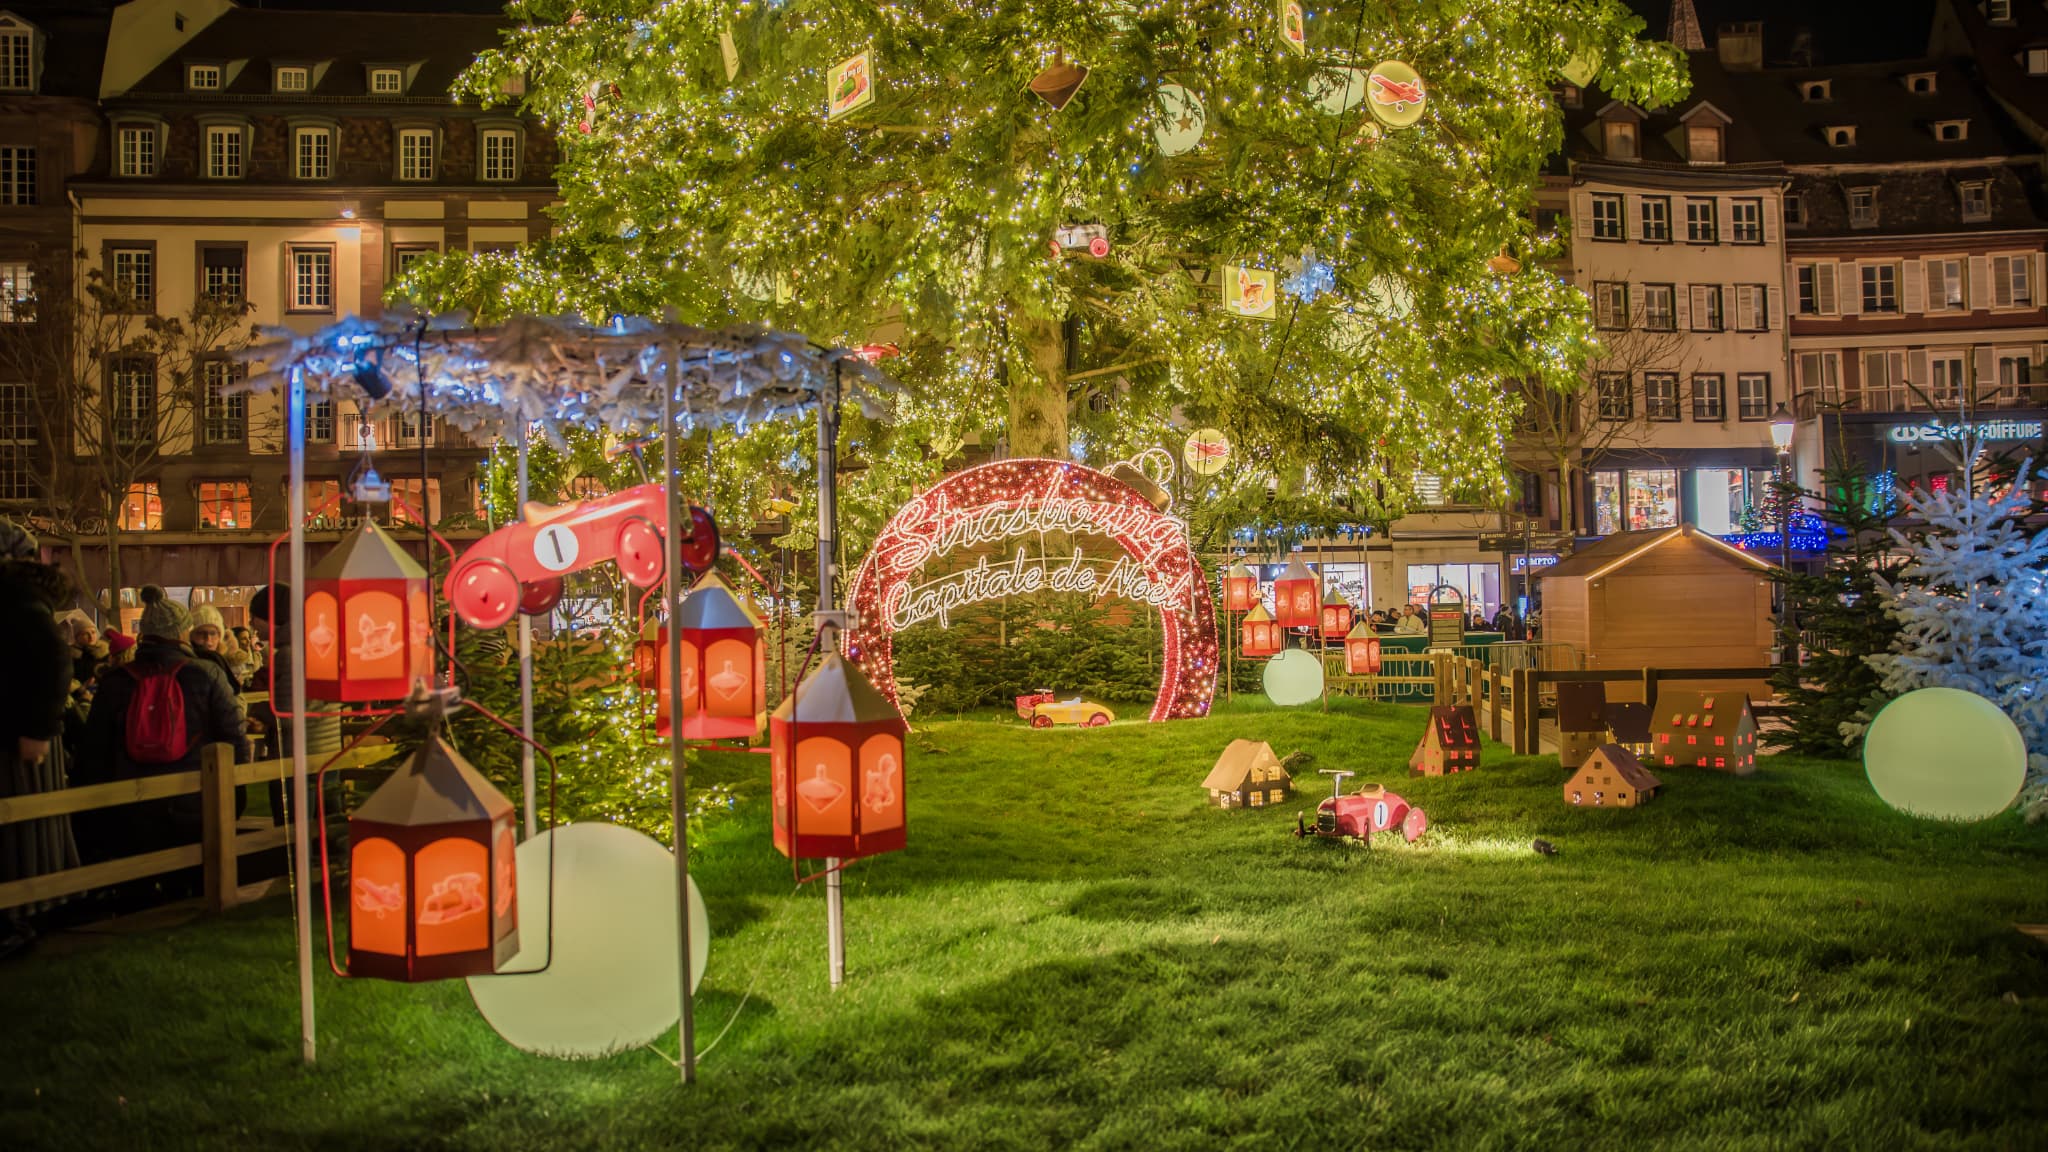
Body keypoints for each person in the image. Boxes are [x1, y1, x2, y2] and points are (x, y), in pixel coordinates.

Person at [81, 592, 250, 867]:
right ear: (183, 632)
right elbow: (234, 737)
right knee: (195, 878)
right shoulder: (207, 674)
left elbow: (94, 751)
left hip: (130, 804)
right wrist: (236, 796)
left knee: (139, 879)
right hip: (195, 800)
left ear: (144, 634)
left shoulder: (115, 681)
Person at [0, 519, 79, 957]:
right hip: (16, 730)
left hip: (18, 738)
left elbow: (52, 659)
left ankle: (23, 915)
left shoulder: (20, 600)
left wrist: (37, 729)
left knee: (24, 830)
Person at [186, 603, 240, 689]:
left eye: (213, 633)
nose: (208, 639)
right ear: (191, 636)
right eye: (201, 633)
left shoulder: (224, 661)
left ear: (220, 636)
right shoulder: (188, 665)